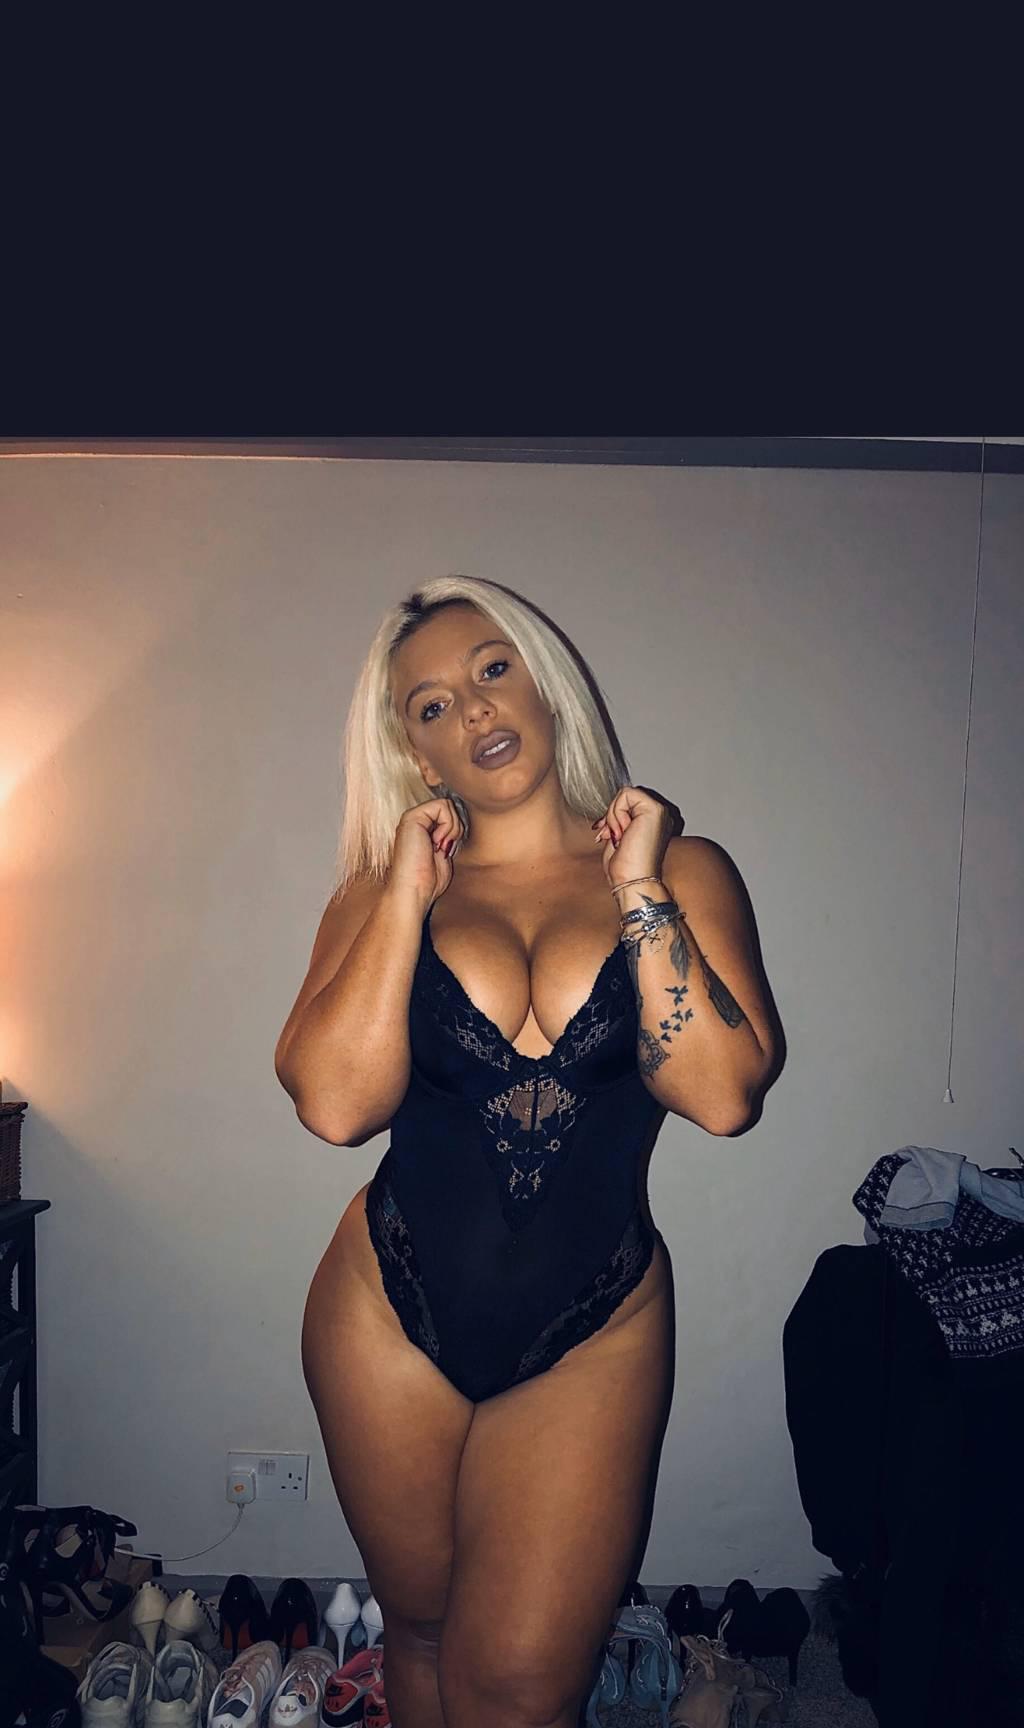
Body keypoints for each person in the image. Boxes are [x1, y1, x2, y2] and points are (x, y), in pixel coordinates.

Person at [274, 575, 778, 1728]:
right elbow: (336, 1108)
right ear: (413, 751)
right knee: (418, 1630)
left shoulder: (684, 870)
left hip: (594, 1324)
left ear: (546, 682)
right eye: (429, 705)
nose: (472, 708)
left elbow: (721, 1096)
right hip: (385, 1309)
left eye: (492, 669)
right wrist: (405, 892)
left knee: (518, 1686)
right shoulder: (380, 893)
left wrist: (637, 883)